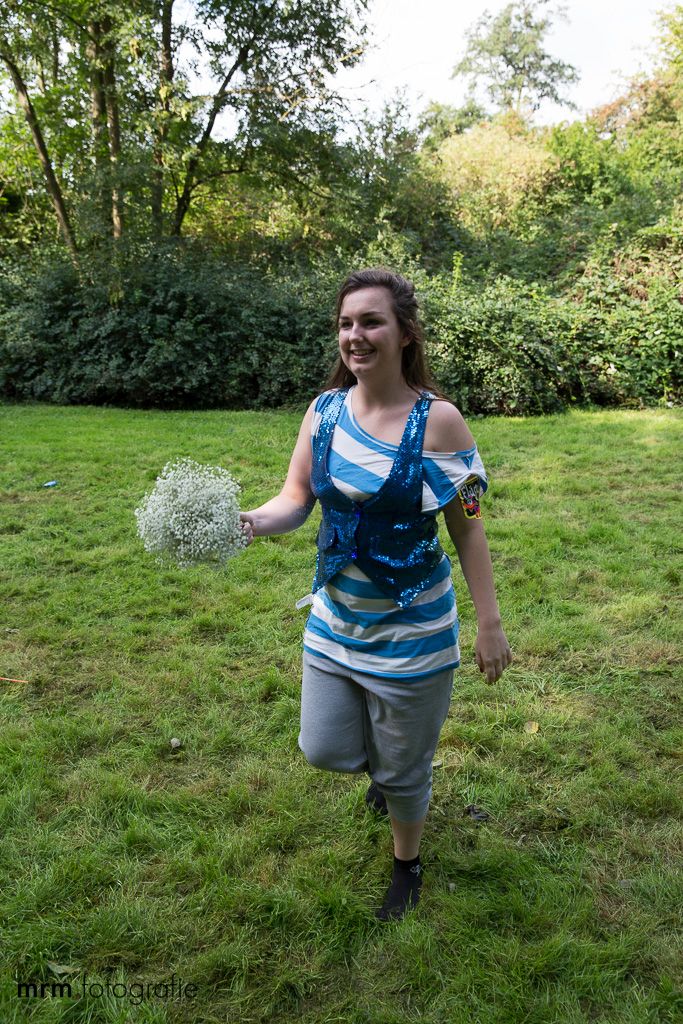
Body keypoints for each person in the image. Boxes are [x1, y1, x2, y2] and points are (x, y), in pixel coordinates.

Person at [239, 267, 512, 922]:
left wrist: (489, 623)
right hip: (335, 622)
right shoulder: (324, 411)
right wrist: (248, 521)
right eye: (345, 323)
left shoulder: (440, 421)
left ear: (404, 332)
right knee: (323, 748)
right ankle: (390, 775)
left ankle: (406, 861)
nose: (354, 335)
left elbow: (468, 525)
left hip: (413, 632)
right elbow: (294, 499)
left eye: (370, 321)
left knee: (403, 773)